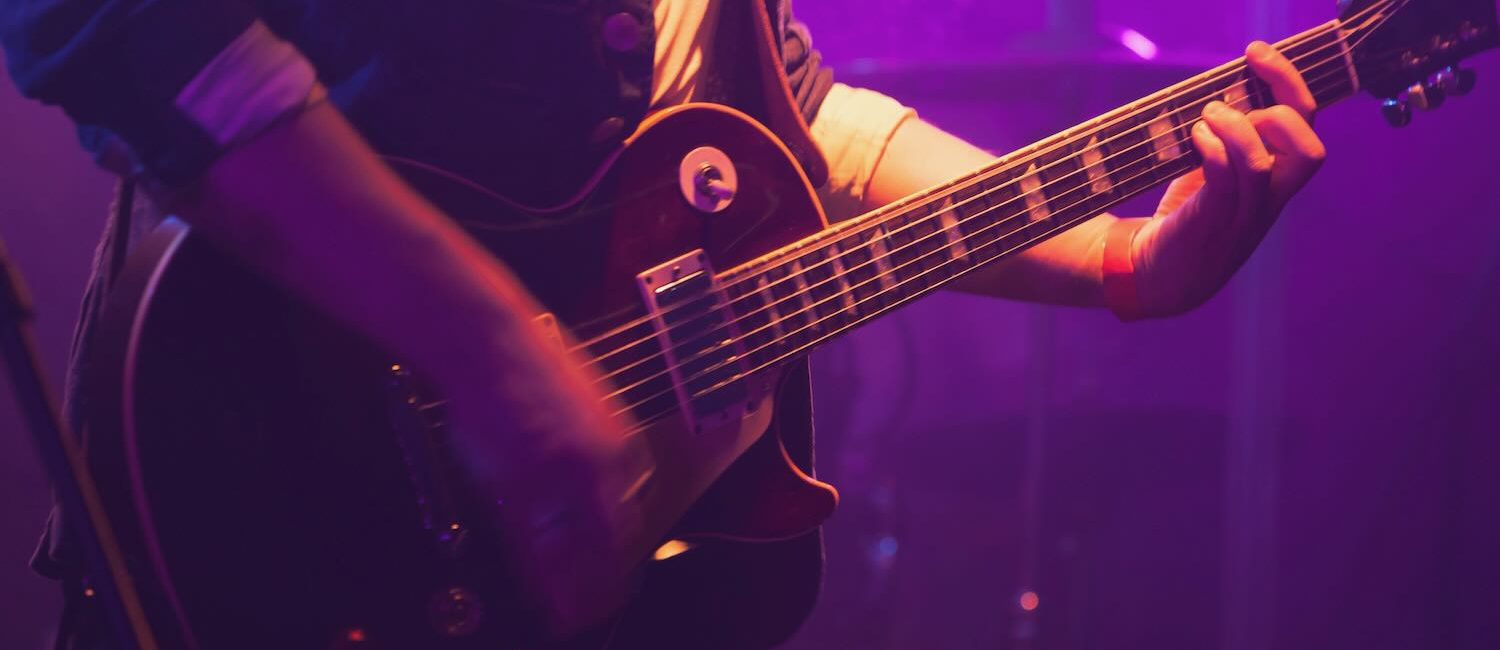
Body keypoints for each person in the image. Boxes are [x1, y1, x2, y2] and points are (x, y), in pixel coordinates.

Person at [0, 1, 1326, 648]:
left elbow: (789, 121)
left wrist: (1124, 257)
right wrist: (491, 355)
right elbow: (102, 21)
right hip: (276, 490)